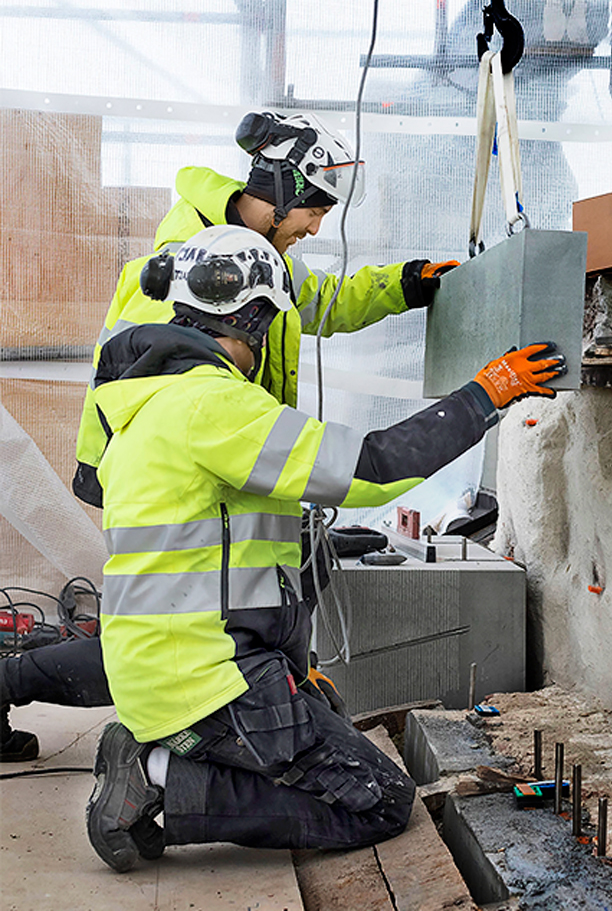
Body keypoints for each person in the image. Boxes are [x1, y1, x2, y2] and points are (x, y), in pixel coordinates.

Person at [82, 225, 565, 870]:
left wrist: (289, 666)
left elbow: (218, 549)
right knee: (379, 802)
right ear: (253, 319)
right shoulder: (213, 404)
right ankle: (163, 783)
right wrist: (487, 394)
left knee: (326, 731)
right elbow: (370, 467)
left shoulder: (149, 409)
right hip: (206, 677)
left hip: (173, 664)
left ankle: (165, 760)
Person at [0, 109, 458, 761]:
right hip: (162, 461)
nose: (317, 226)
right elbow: (138, 377)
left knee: (215, 610)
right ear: (282, 191)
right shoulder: (192, 259)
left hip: (225, 456)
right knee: (170, 631)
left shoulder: (260, 254)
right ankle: (32, 690)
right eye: (315, 209)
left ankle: (257, 702)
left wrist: (403, 287)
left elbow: (320, 303)